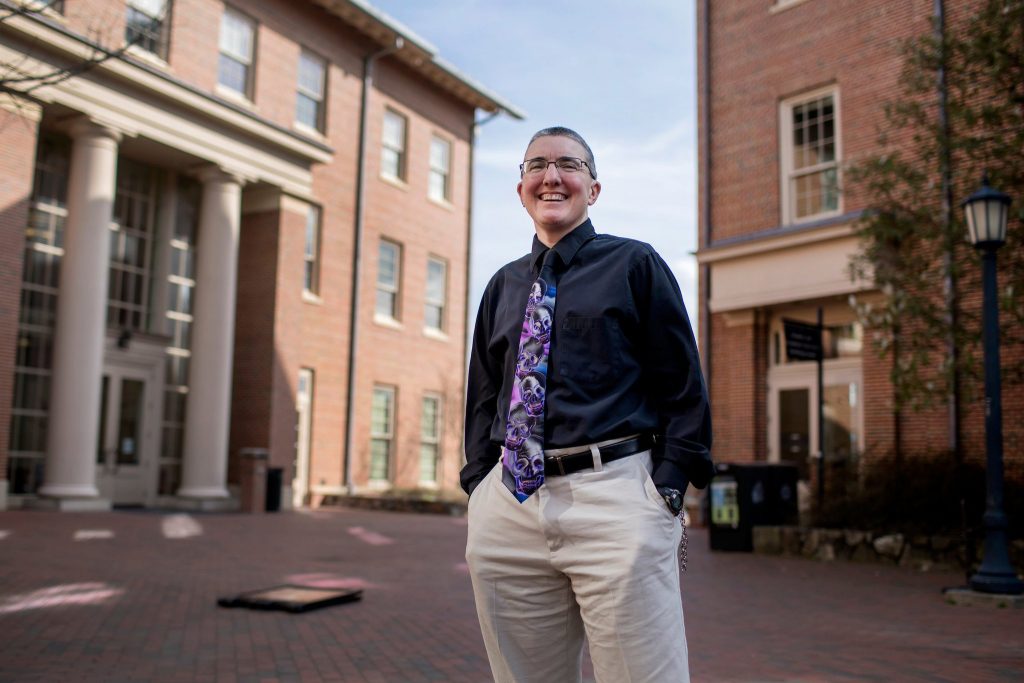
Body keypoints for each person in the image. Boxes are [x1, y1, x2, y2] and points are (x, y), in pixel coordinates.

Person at [462, 126, 714, 683]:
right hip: (510, 507)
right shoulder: (502, 286)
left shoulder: (634, 265)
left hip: (616, 499)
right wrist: (479, 484)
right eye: (536, 166)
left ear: (592, 189)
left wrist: (669, 486)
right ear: (521, 188)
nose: (552, 176)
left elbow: (682, 384)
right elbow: (483, 395)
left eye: (568, 164)